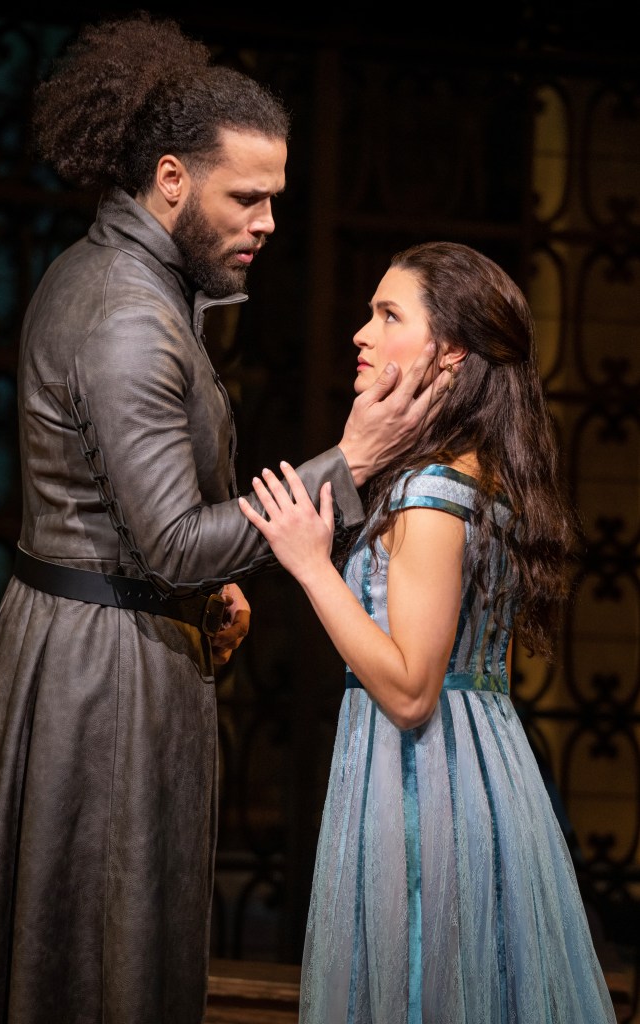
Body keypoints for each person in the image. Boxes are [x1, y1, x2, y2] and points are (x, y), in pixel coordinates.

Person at [0, 14, 452, 1024]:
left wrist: (204, 585)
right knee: (97, 960)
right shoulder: (126, 315)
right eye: (244, 197)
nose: (266, 222)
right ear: (169, 181)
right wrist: (356, 459)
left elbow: (145, 528)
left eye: (274, 199)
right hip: (102, 676)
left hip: (93, 643)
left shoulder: (128, 283)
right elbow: (167, 542)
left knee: (73, 945)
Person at [239, 241, 618, 1023]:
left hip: (422, 784)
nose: (360, 334)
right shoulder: (468, 473)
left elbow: (412, 691)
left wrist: (311, 566)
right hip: (475, 773)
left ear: (447, 355)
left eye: (387, 315)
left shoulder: (433, 491)